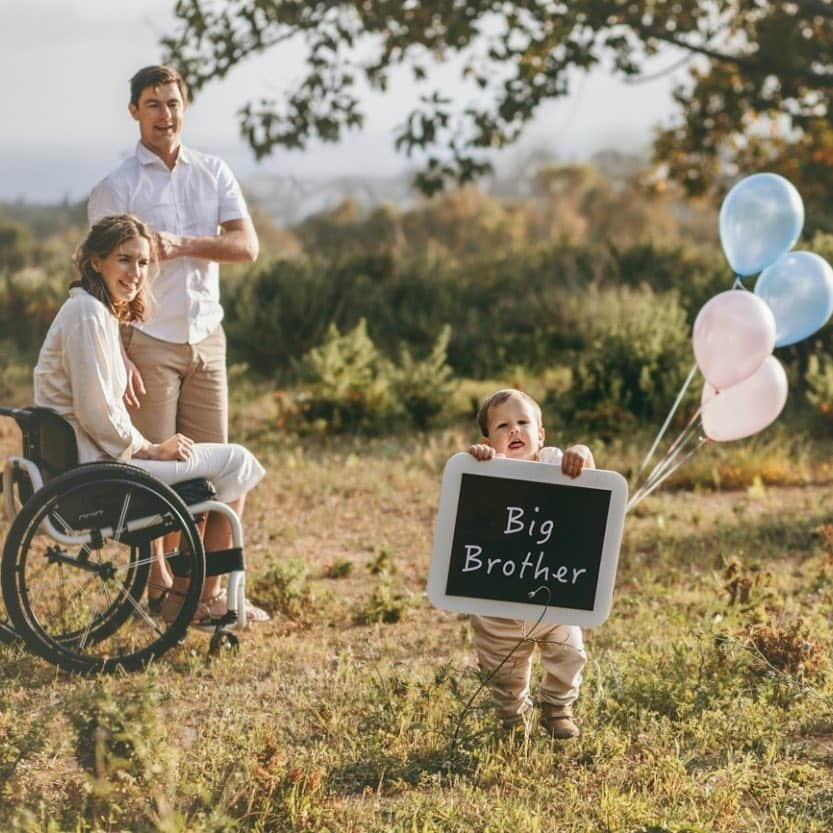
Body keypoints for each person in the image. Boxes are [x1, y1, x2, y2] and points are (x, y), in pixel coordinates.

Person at [34, 214, 268, 627]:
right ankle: (200, 597)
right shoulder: (87, 315)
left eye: (143, 263)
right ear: (95, 262)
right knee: (239, 462)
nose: (136, 273)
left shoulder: (92, 311)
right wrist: (152, 447)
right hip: (99, 470)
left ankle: (187, 594)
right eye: (125, 260)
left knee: (228, 462)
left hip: (93, 460)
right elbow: (97, 412)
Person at [87, 64, 259, 602]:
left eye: (174, 102)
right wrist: (120, 353)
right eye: (155, 104)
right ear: (135, 111)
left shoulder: (214, 172)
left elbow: (246, 247)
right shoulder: (115, 188)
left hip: (208, 340)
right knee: (156, 472)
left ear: (185, 107)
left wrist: (181, 243)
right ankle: (156, 587)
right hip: (147, 340)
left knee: (212, 475)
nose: (167, 114)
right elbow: (97, 280)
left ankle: (202, 592)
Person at [466, 388, 595, 739]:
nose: (514, 431)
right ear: (488, 440)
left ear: (540, 434)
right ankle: (511, 718)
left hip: (553, 596)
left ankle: (557, 708)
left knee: (569, 655)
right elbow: (466, 507)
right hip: (497, 609)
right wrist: (478, 461)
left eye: (523, 422)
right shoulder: (486, 469)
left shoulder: (555, 463)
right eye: (503, 426)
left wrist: (581, 454)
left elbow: (589, 479)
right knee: (503, 674)